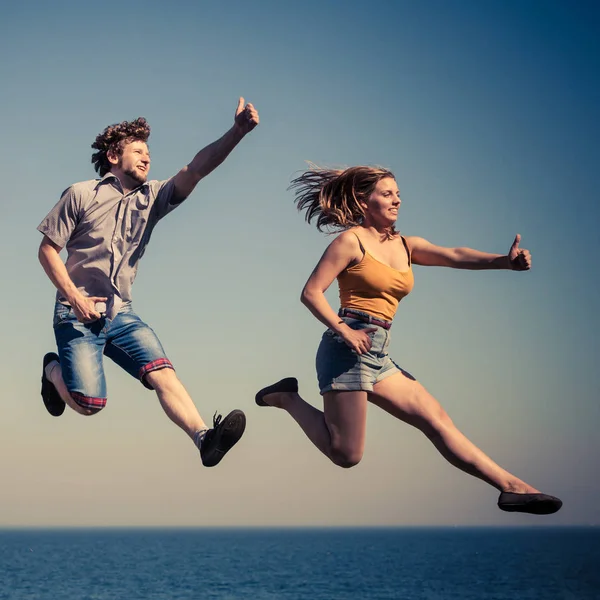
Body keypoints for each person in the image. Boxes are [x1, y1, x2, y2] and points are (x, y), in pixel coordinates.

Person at [256, 165, 562, 514]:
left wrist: (504, 263)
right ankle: (286, 397)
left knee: (436, 420)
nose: (397, 200)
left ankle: (512, 488)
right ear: (362, 199)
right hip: (346, 348)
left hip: (379, 354)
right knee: (346, 455)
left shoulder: (406, 246)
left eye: (398, 194)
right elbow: (311, 293)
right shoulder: (349, 242)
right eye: (387, 194)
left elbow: (456, 256)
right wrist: (346, 332)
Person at [38, 98, 259, 467]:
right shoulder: (80, 194)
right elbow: (47, 251)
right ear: (113, 155)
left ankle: (204, 439)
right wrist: (74, 298)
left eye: (149, 153)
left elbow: (196, 169)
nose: (146, 158)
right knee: (89, 404)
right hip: (76, 313)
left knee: (163, 373)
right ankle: (51, 369)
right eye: (138, 151)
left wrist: (237, 132)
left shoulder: (153, 198)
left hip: (121, 313)